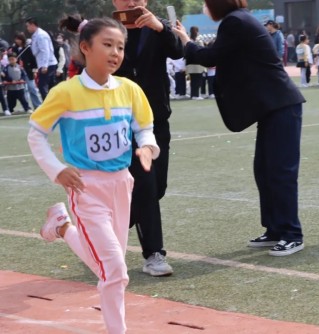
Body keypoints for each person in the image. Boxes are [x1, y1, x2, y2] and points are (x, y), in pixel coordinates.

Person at [27, 16, 159, 333]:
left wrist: (146, 148)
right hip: (86, 188)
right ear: (85, 47)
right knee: (116, 270)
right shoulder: (65, 93)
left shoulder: (130, 90)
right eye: (107, 44)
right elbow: (35, 134)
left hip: (122, 185)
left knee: (106, 264)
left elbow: (146, 129)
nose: (115, 52)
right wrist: (57, 170)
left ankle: (61, 226)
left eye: (121, 47)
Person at [172, 0, 306, 256]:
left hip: (282, 105)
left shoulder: (235, 22)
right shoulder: (239, 20)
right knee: (265, 171)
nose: (204, 8)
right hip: (273, 107)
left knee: (280, 172)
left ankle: (292, 233)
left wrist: (184, 40)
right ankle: (275, 229)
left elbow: (209, 57)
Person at [111, 0, 184, 276]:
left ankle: (102, 233)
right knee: (146, 186)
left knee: (157, 187)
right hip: (122, 122)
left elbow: (177, 51)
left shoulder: (157, 27)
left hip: (156, 119)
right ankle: (154, 254)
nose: (131, 2)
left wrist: (160, 27)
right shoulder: (108, 31)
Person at [25, 17, 58, 100]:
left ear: (33, 25)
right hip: (44, 64)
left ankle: (48, 107)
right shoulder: (36, 35)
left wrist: (45, 65)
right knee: (51, 87)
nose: (27, 28)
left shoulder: (41, 35)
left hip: (47, 65)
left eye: (28, 26)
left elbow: (45, 51)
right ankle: (54, 107)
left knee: (42, 86)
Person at [11, 32, 42, 110]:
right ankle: (26, 106)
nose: (17, 41)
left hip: (28, 71)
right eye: (16, 39)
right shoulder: (14, 48)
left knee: (32, 88)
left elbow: (33, 61)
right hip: (18, 71)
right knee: (23, 90)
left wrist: (35, 71)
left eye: (18, 39)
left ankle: (37, 105)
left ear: (22, 39)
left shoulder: (28, 48)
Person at [186, 26, 206, 100]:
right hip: (198, 63)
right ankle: (196, 95)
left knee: (193, 80)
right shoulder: (199, 40)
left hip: (190, 63)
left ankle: (193, 95)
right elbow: (202, 50)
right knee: (198, 80)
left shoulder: (188, 40)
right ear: (197, 32)